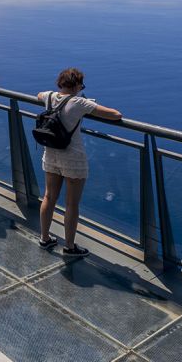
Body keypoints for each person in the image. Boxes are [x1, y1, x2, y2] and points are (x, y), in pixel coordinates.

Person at [36, 68, 122, 257]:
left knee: (49, 197)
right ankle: (69, 246)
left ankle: (44, 238)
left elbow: (39, 95)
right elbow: (115, 114)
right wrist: (86, 102)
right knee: (71, 204)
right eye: (81, 85)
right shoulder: (80, 103)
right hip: (72, 158)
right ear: (76, 85)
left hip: (51, 154)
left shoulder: (49, 96)